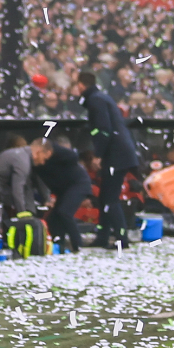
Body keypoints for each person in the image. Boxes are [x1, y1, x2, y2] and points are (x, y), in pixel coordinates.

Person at [75, 69, 140, 248]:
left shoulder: (95, 100)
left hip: (115, 154)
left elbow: (103, 130)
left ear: (80, 85)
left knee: (110, 198)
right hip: (121, 152)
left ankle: (121, 239)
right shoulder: (102, 98)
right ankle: (103, 237)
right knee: (106, 197)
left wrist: (98, 154)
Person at [0, 136, 47, 246]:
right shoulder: (22, 161)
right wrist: (22, 212)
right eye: (43, 159)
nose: (43, 162)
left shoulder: (18, 157)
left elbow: (24, 188)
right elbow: (18, 189)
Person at [35, 136, 94, 253]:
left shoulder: (56, 154)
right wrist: (47, 198)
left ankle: (77, 245)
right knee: (54, 217)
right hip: (65, 188)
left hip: (77, 184)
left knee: (65, 212)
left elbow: (73, 156)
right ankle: (59, 244)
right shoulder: (39, 163)